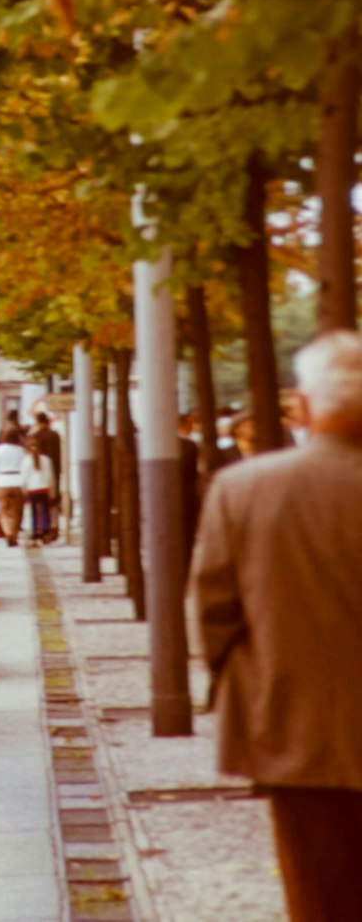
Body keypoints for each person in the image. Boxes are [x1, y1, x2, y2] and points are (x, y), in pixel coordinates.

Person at [192, 330, 362, 922]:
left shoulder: (243, 489)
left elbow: (215, 615)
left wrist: (243, 690)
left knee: (318, 895)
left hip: (296, 727)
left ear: (305, 406)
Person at [0, 427, 28, 545]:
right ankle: (14, 533)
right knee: (16, 512)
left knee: (4, 510)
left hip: (2, 481)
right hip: (17, 481)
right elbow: (25, 467)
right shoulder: (21, 450)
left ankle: (7, 532)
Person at [32, 412, 64, 535]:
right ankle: (54, 525)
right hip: (55, 470)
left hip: (39, 473)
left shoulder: (35, 436)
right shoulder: (55, 435)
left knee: (40, 503)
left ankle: (42, 527)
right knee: (53, 500)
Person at [23, 434, 55, 542]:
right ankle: (45, 529)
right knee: (45, 510)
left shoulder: (26, 461)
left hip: (32, 489)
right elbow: (50, 475)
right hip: (44, 488)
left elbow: (24, 477)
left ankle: (34, 530)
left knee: (33, 511)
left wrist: (24, 488)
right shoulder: (46, 459)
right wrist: (51, 488)